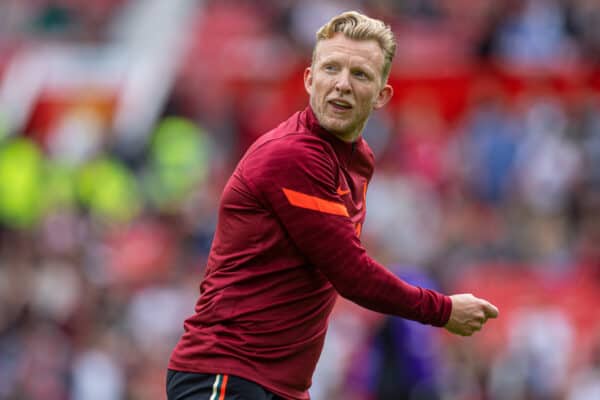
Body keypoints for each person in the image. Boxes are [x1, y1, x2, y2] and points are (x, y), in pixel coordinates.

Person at [167, 10, 499, 400]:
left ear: (381, 95)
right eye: (331, 68)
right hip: (225, 373)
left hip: (277, 385)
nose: (341, 84)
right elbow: (351, 274)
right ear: (309, 79)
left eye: (359, 74)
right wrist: (442, 310)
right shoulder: (292, 155)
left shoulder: (355, 159)